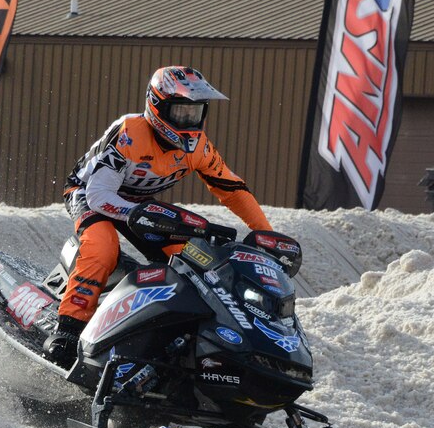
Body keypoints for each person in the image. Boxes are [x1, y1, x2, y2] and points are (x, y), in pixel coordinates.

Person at [44, 66, 274, 367]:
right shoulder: (130, 133)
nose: (189, 121)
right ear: (158, 106)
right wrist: (140, 214)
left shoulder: (200, 148)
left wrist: (266, 234)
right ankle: (69, 328)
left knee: (194, 258)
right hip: (88, 194)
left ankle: (176, 335)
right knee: (102, 247)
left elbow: (233, 190)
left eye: (195, 112)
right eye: (181, 112)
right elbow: (99, 197)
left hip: (139, 201)